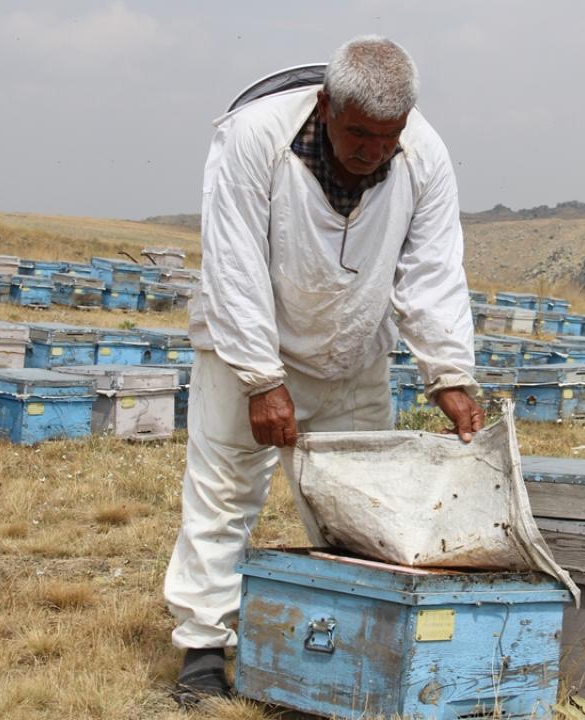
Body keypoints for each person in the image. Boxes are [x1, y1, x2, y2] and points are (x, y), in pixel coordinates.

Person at [164, 36, 484, 705]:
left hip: (355, 354)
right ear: (324, 106)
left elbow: (431, 272)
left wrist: (449, 372)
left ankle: (354, 644)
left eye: (386, 137)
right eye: (358, 133)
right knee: (224, 496)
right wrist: (260, 377)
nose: (372, 150)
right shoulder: (254, 139)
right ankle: (202, 649)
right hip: (247, 347)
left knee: (363, 504)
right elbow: (234, 261)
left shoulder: (424, 154)